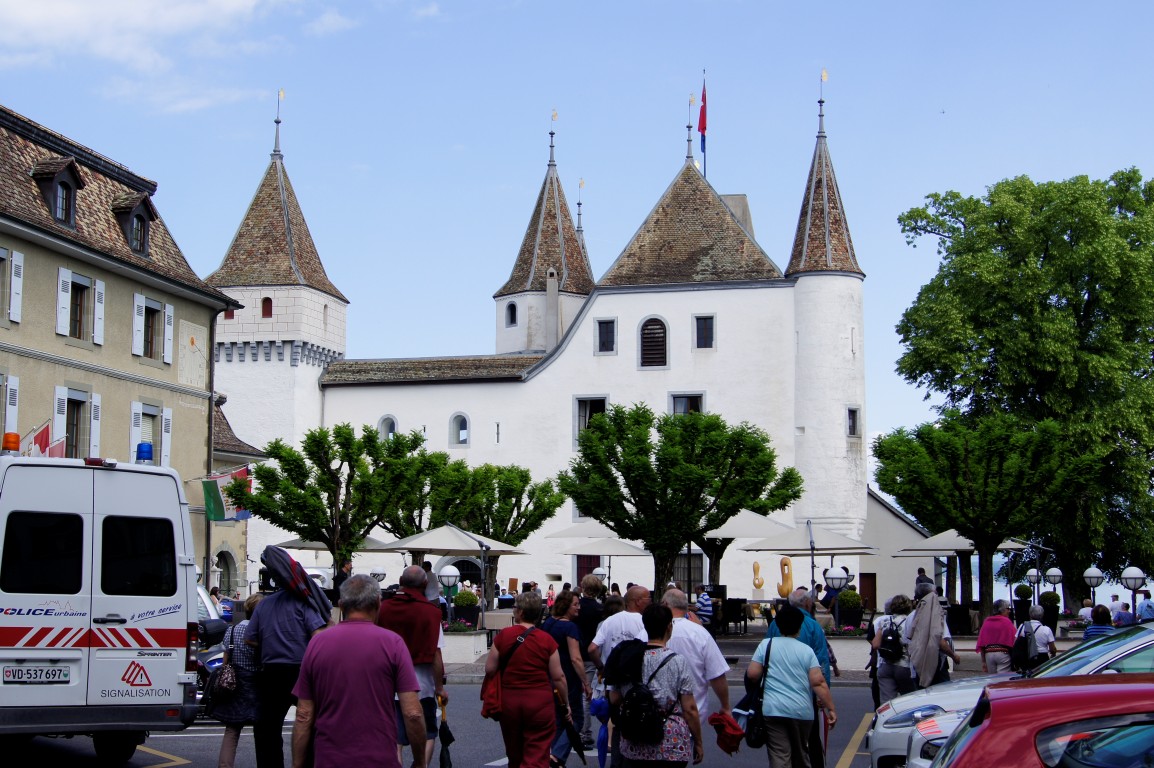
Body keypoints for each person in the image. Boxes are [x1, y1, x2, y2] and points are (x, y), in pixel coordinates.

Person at [291, 575, 425, 768]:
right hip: (379, 759)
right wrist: (420, 762)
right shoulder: (393, 644)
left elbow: (303, 714)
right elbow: (412, 713)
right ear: (378, 603)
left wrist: (297, 765)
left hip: (329, 759)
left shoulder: (317, 644)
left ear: (341, 605)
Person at [247, 547, 333, 768]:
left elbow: (250, 639)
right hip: (301, 670)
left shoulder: (264, 605)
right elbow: (318, 636)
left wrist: (271, 643)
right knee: (309, 721)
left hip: (271, 672)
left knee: (267, 727)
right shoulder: (304, 603)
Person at [608, 604, 703, 766]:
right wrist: (698, 742)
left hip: (635, 740)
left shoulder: (629, 658)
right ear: (669, 627)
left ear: (645, 626)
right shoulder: (677, 662)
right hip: (671, 743)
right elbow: (690, 709)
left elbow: (614, 698)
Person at [485, 591, 570, 768]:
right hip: (539, 702)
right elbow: (559, 677)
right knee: (537, 753)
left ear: (521, 612)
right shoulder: (546, 640)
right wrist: (566, 703)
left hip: (510, 701)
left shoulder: (504, 635)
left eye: (515, 607)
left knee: (514, 753)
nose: (513, 610)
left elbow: (490, 668)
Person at [747, 604, 838, 768]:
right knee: (801, 754)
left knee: (779, 754)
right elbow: (818, 682)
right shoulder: (807, 651)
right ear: (799, 626)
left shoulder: (766, 645)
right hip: (801, 711)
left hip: (773, 709)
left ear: (777, 625)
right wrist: (830, 708)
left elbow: (752, 674)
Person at [377, 565, 447, 768]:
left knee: (394, 739)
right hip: (422, 685)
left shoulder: (382, 609)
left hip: (387, 684)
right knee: (427, 734)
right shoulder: (431, 612)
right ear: (425, 583)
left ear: (400, 581)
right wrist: (440, 688)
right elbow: (435, 654)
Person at [766, 587, 830, 767]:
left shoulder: (774, 625)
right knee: (811, 742)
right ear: (808, 603)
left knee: (780, 747)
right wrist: (823, 696)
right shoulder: (813, 626)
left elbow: (760, 666)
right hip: (804, 696)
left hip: (776, 695)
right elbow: (822, 662)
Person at [662, 589, 730, 728]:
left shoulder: (648, 631)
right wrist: (725, 706)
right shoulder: (700, 633)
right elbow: (717, 674)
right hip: (692, 716)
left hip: (656, 717)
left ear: (665, 604)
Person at [214, 593, 264, 768]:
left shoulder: (232, 630)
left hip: (236, 683)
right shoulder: (262, 632)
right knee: (263, 730)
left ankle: (225, 766)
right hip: (258, 683)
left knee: (232, 729)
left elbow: (226, 659)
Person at [544, 590, 592, 765]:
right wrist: (586, 682)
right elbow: (576, 658)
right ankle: (557, 755)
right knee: (576, 718)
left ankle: (555, 757)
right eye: (575, 604)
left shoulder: (548, 623)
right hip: (568, 678)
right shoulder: (570, 627)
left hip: (549, 676)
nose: (579, 608)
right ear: (566, 606)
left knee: (558, 719)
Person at [905, 583, 960, 689]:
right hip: (935, 662)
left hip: (917, 662)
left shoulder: (911, 616)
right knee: (942, 691)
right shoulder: (935, 614)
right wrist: (953, 656)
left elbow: (907, 640)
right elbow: (939, 640)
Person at [589, 585, 650, 674]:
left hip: (609, 677)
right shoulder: (645, 622)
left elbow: (592, 649)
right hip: (634, 677)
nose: (650, 601)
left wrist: (601, 668)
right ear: (638, 601)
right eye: (648, 598)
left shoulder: (609, 621)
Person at [574, 575, 605, 748]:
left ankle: (578, 731)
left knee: (575, 693)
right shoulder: (600, 610)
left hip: (575, 652)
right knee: (587, 695)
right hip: (592, 656)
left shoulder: (576, 607)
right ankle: (584, 732)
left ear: (583, 587)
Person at [870, 594, 914, 703]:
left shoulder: (885, 621)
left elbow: (875, 644)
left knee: (887, 703)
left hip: (885, 665)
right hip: (904, 665)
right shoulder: (910, 622)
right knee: (909, 701)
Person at [975, 599, 1016, 674]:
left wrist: (983, 661)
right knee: (1002, 679)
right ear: (1002, 610)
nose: (1009, 611)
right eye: (1008, 609)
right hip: (1003, 654)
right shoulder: (1007, 622)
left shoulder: (987, 621)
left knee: (992, 678)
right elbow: (1015, 640)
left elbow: (982, 643)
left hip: (989, 654)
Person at [1015, 604, 1057, 670]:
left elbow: (1016, 641)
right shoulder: (1046, 629)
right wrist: (1053, 654)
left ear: (1030, 614)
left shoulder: (1022, 626)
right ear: (1042, 615)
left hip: (1026, 657)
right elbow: (1052, 648)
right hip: (1042, 658)